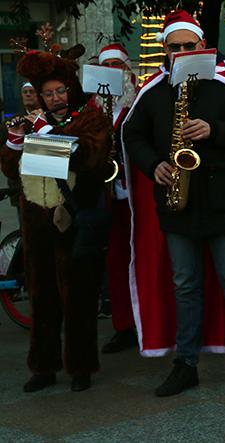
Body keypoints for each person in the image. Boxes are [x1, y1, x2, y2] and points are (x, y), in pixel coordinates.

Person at [123, 10, 225, 397]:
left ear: (203, 46)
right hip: (177, 203)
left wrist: (215, 130)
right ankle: (185, 365)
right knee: (185, 286)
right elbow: (132, 135)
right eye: (174, 47)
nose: (181, 53)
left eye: (188, 46)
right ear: (165, 50)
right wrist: (153, 163)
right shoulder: (154, 90)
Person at [0, 46, 112, 392]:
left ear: (71, 88)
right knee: (41, 295)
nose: (54, 98)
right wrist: (15, 141)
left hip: (74, 218)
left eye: (60, 91)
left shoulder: (91, 119)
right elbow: (10, 168)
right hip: (36, 219)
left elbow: (89, 157)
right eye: (47, 94)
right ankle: (43, 367)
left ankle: (80, 367)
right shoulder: (34, 120)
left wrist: (47, 133)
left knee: (78, 297)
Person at [96, 43, 138, 353]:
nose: (112, 71)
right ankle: (124, 325)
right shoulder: (92, 109)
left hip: (137, 193)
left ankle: (152, 320)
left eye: (116, 65)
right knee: (115, 260)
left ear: (127, 69)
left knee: (145, 257)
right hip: (108, 196)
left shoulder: (138, 101)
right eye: (105, 65)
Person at [0, 82, 41, 223]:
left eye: (32, 91)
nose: (28, 94)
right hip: (20, 188)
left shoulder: (49, 119)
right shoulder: (11, 122)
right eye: (25, 92)